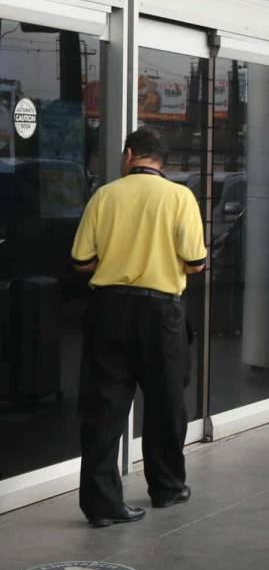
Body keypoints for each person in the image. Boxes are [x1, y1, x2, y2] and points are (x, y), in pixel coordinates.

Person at [70, 128, 205, 527]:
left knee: (103, 408)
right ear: (162, 161)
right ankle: (167, 488)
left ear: (130, 155)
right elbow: (195, 263)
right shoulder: (180, 197)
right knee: (166, 403)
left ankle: (102, 505)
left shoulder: (104, 196)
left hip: (108, 309)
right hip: (162, 314)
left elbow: (81, 262)